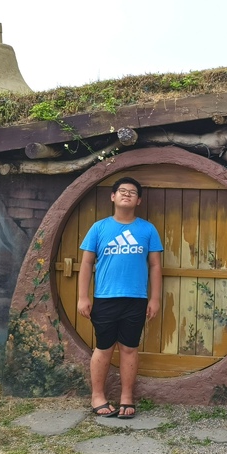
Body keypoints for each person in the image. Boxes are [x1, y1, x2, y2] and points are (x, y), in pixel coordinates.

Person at [77, 177, 163, 419]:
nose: (127, 194)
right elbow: (86, 263)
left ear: (139, 201)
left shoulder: (147, 229)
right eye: (122, 191)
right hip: (104, 298)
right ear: (112, 197)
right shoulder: (99, 228)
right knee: (103, 348)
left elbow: (155, 266)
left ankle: (127, 397)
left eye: (132, 192)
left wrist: (155, 299)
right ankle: (97, 396)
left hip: (136, 299)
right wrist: (83, 297)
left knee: (129, 348)